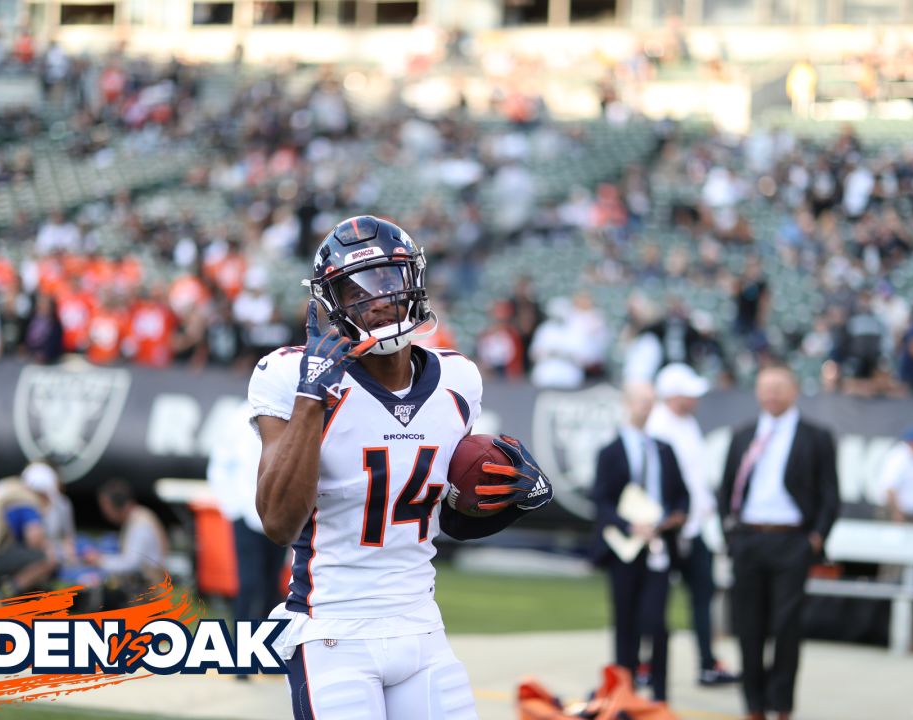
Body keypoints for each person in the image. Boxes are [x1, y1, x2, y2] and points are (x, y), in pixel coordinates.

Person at [248, 215, 553, 719]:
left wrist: (512, 501)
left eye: (388, 279)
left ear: (413, 279)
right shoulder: (287, 373)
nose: (377, 299)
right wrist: (311, 396)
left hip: (421, 627)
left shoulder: (459, 379)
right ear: (330, 305)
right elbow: (279, 523)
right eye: (356, 290)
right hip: (331, 632)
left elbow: (447, 515)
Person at [718, 364, 840, 720]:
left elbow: (830, 495)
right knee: (748, 627)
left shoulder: (815, 436)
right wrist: (732, 535)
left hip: (792, 541)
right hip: (749, 540)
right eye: (765, 387)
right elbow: (726, 490)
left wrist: (815, 538)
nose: (771, 394)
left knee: (787, 628)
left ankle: (782, 704)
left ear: (794, 391)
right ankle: (753, 705)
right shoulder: (743, 435)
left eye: (778, 387)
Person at [591, 384, 689, 704]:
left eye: (650, 402)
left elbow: (681, 495)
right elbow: (602, 501)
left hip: (658, 546)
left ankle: (659, 694)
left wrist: (673, 519)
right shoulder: (611, 451)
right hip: (625, 548)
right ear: (627, 404)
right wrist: (630, 524)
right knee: (625, 621)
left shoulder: (663, 448)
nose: (645, 408)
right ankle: (624, 691)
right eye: (640, 402)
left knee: (657, 623)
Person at [646, 364, 739, 687]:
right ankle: (650, 663)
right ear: (673, 395)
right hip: (671, 527)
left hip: (695, 525)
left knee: (703, 593)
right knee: (658, 598)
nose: (696, 399)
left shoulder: (686, 423)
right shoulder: (659, 425)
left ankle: (706, 662)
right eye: (689, 393)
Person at [207, 421, 285, 622]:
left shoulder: (287, 413)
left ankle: (267, 642)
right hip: (246, 515)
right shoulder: (238, 419)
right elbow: (219, 466)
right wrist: (233, 508)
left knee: (272, 582)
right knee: (249, 583)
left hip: (279, 517)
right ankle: (241, 643)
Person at [83, 479, 169, 601]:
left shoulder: (140, 525)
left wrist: (99, 560)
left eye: (104, 506)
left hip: (148, 590)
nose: (104, 511)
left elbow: (131, 563)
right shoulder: (138, 515)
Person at [877, 428, 913, 523]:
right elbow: (890, 488)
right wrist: (897, 514)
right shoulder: (900, 458)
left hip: (902, 514)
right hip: (896, 515)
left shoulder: (907, 458)